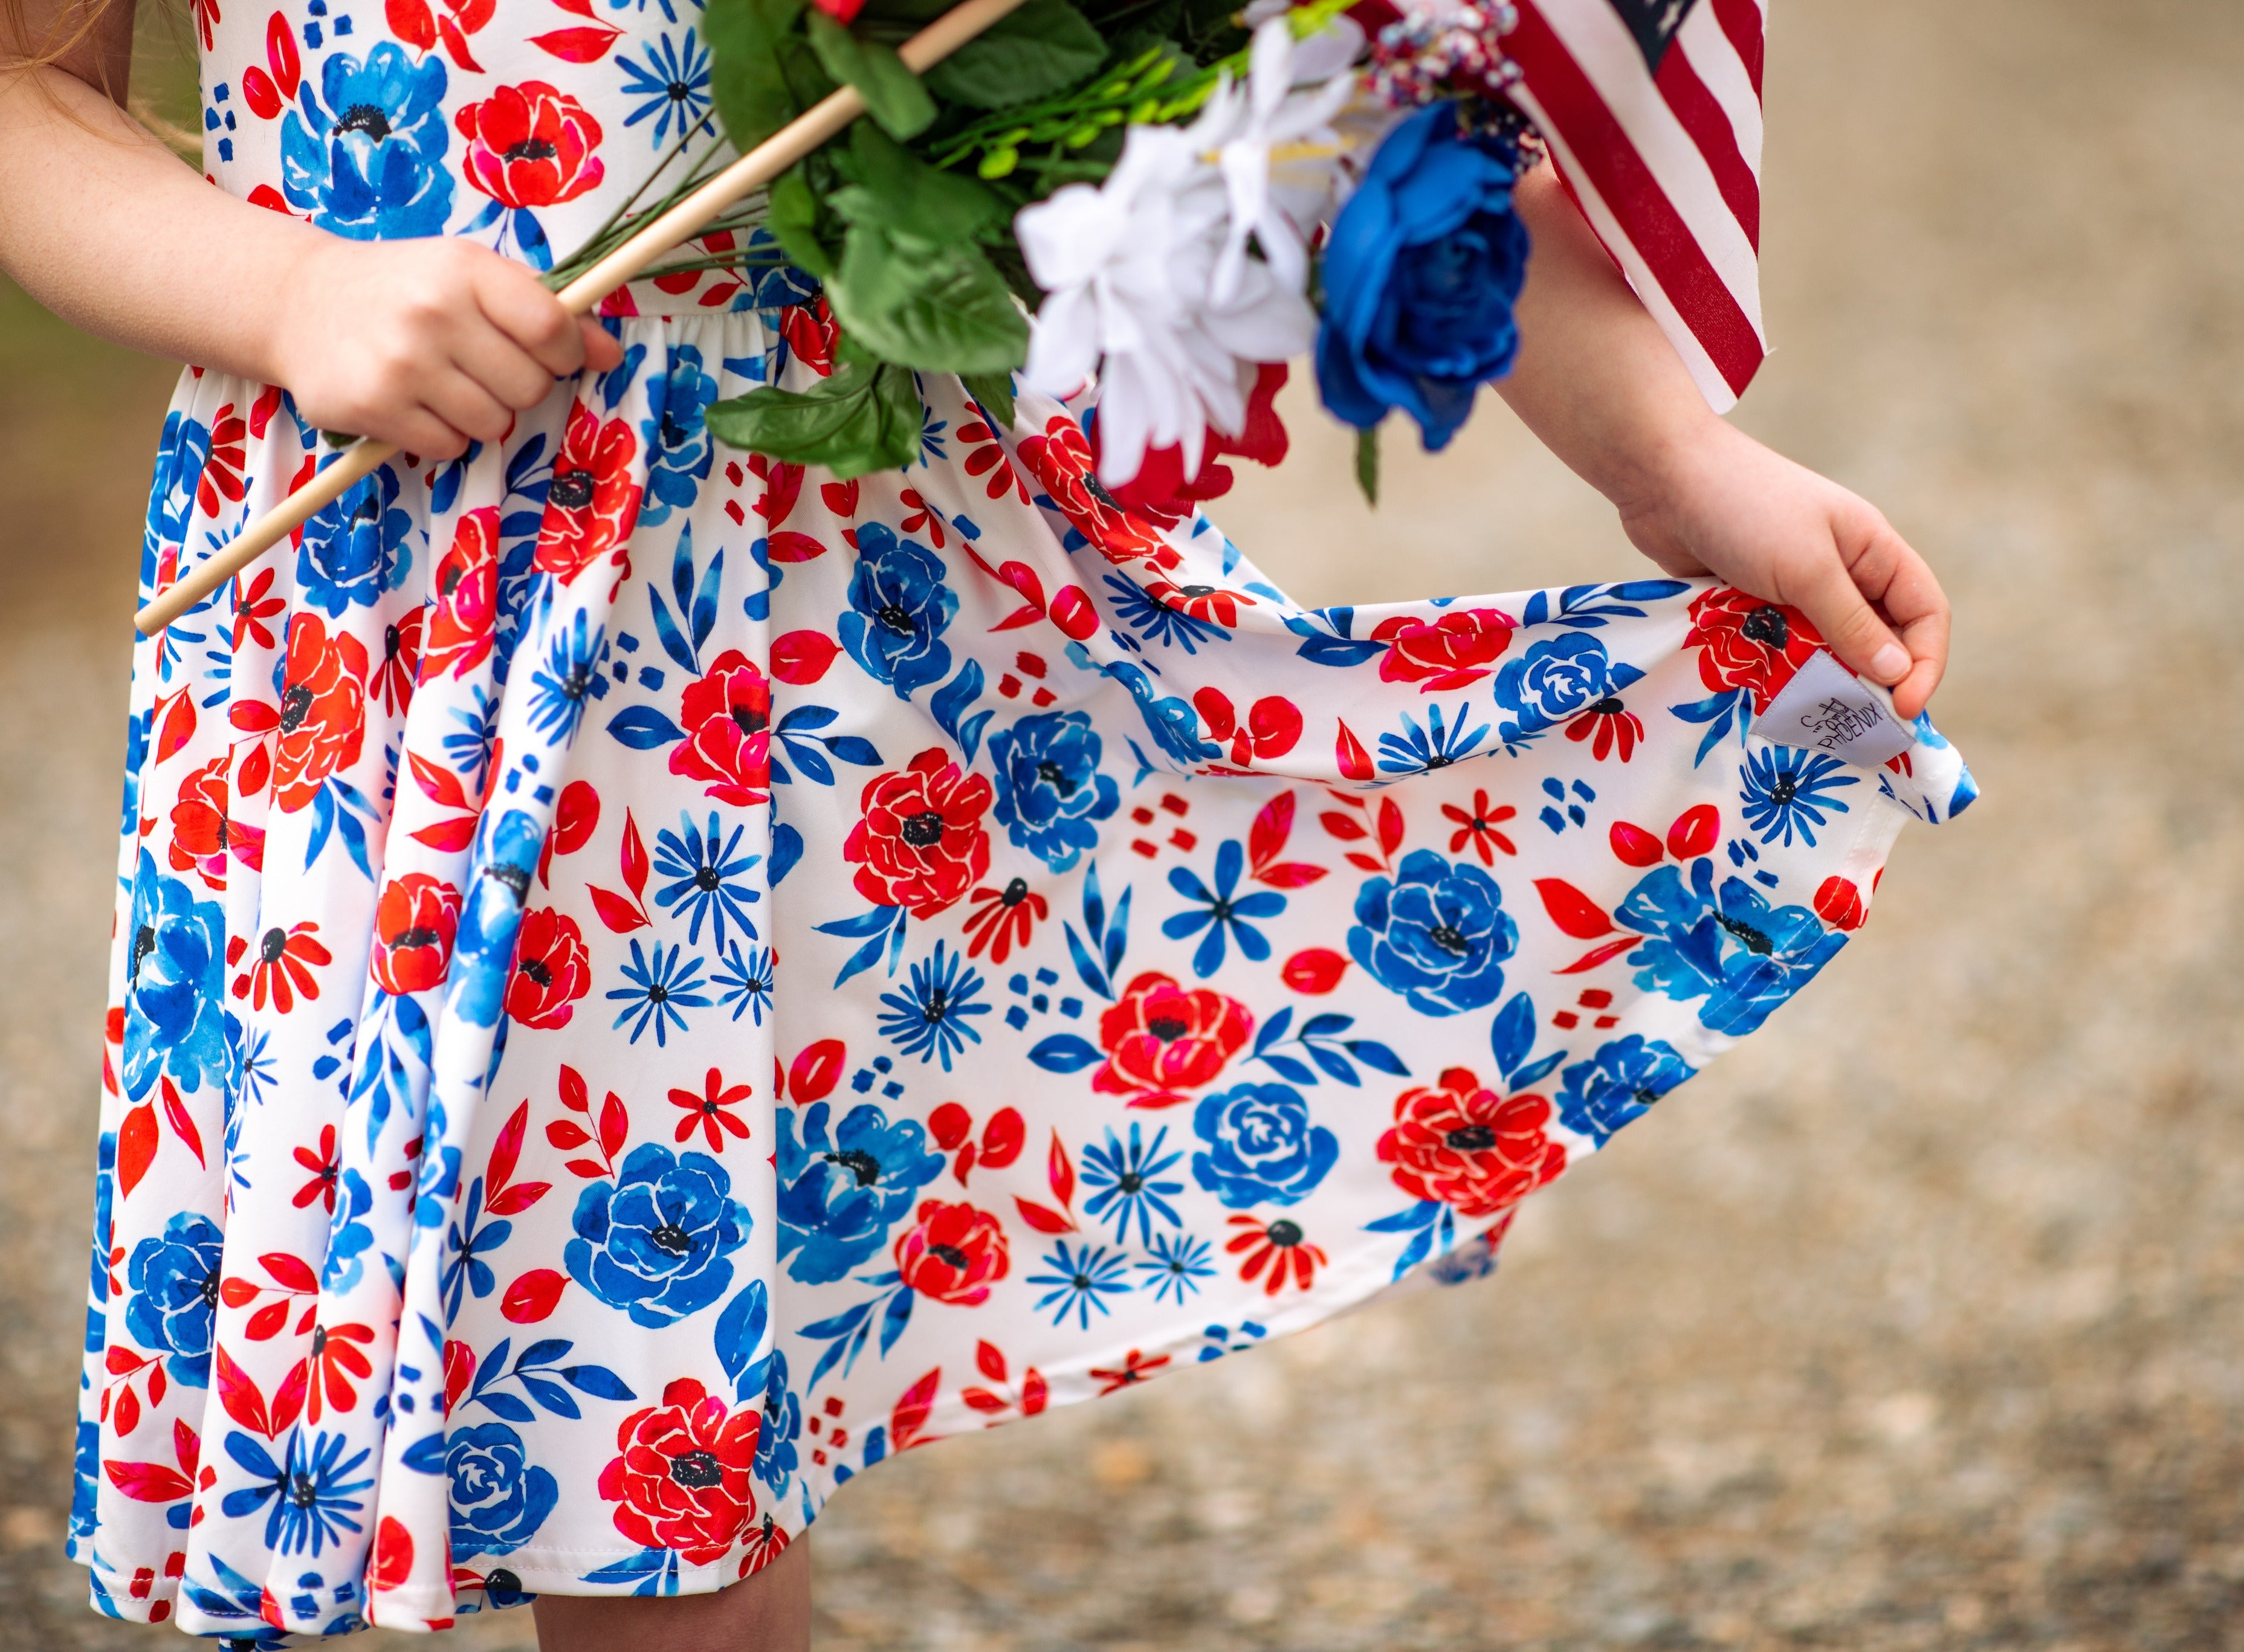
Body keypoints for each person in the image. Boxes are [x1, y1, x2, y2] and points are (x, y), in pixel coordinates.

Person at [2, 0, 1964, 1644]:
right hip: (419, 590)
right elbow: (29, 92)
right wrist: (286, 286)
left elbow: (1272, 77)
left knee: (689, 1415)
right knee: (532, 1392)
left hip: (846, 587)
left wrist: (1674, 468)